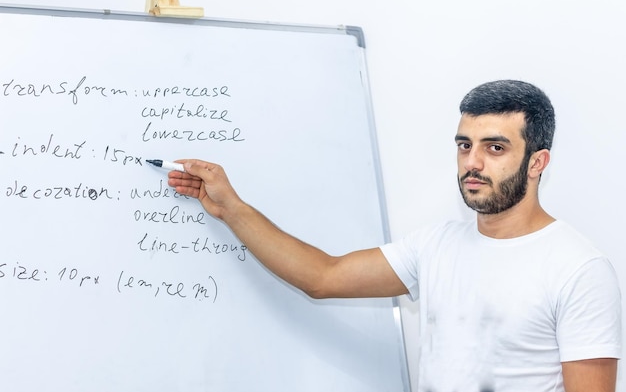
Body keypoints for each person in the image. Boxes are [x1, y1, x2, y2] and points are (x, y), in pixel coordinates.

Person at [166, 80, 621, 392]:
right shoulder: (437, 245)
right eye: (465, 145)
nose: (472, 163)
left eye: (495, 147)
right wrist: (231, 207)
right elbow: (323, 276)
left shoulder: (577, 268)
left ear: (538, 162)